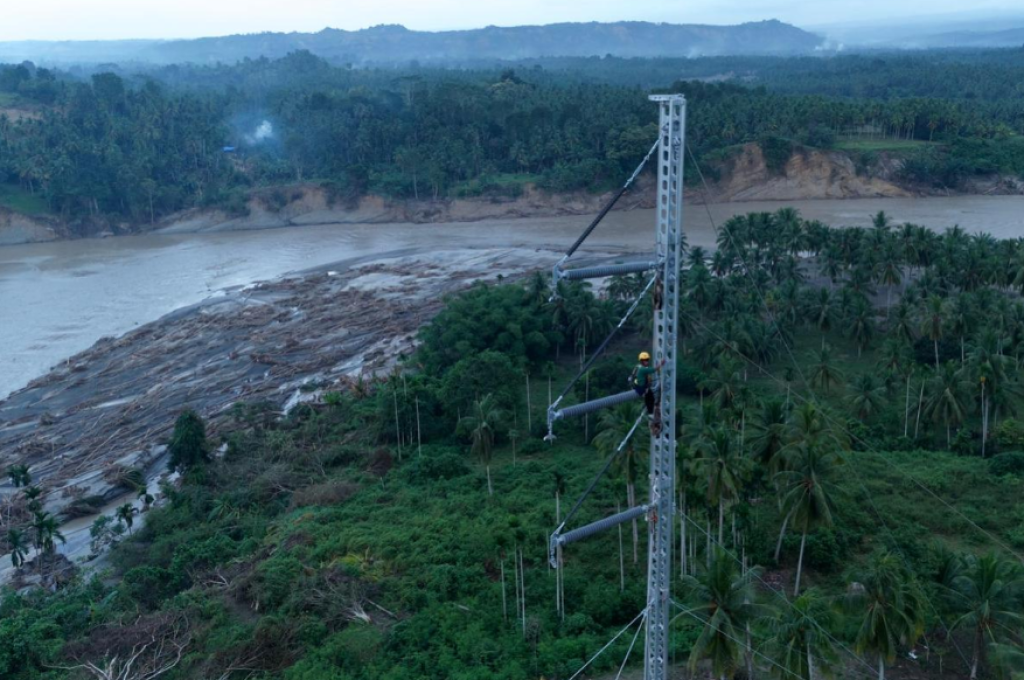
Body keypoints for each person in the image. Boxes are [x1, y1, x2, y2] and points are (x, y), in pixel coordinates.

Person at [630, 352, 664, 426]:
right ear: (641, 361)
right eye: (645, 360)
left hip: (637, 386)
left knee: (650, 396)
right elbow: (653, 370)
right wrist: (661, 364)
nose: (647, 361)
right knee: (650, 397)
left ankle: (650, 412)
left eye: (647, 360)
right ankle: (650, 414)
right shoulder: (643, 369)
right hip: (640, 388)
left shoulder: (638, 367)